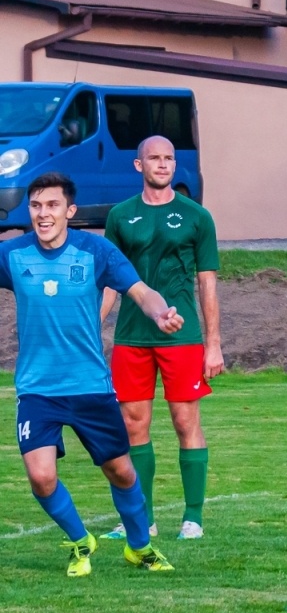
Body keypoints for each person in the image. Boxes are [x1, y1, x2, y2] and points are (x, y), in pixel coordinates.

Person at [4, 173, 182, 577]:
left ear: (69, 211)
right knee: (41, 477)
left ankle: (140, 547)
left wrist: (162, 312)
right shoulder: (13, 255)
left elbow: (141, 292)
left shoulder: (96, 252)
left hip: (89, 386)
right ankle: (81, 540)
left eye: (51, 206)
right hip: (37, 390)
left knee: (120, 470)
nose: (43, 214)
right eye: (35, 206)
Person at [99, 136, 222, 542]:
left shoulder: (197, 216)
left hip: (182, 339)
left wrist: (214, 344)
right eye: (154, 158)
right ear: (139, 166)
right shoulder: (120, 216)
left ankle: (193, 517)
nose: (163, 164)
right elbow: (111, 283)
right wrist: (91, 328)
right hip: (132, 337)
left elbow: (207, 286)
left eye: (169, 158)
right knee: (134, 425)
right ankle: (143, 519)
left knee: (185, 421)